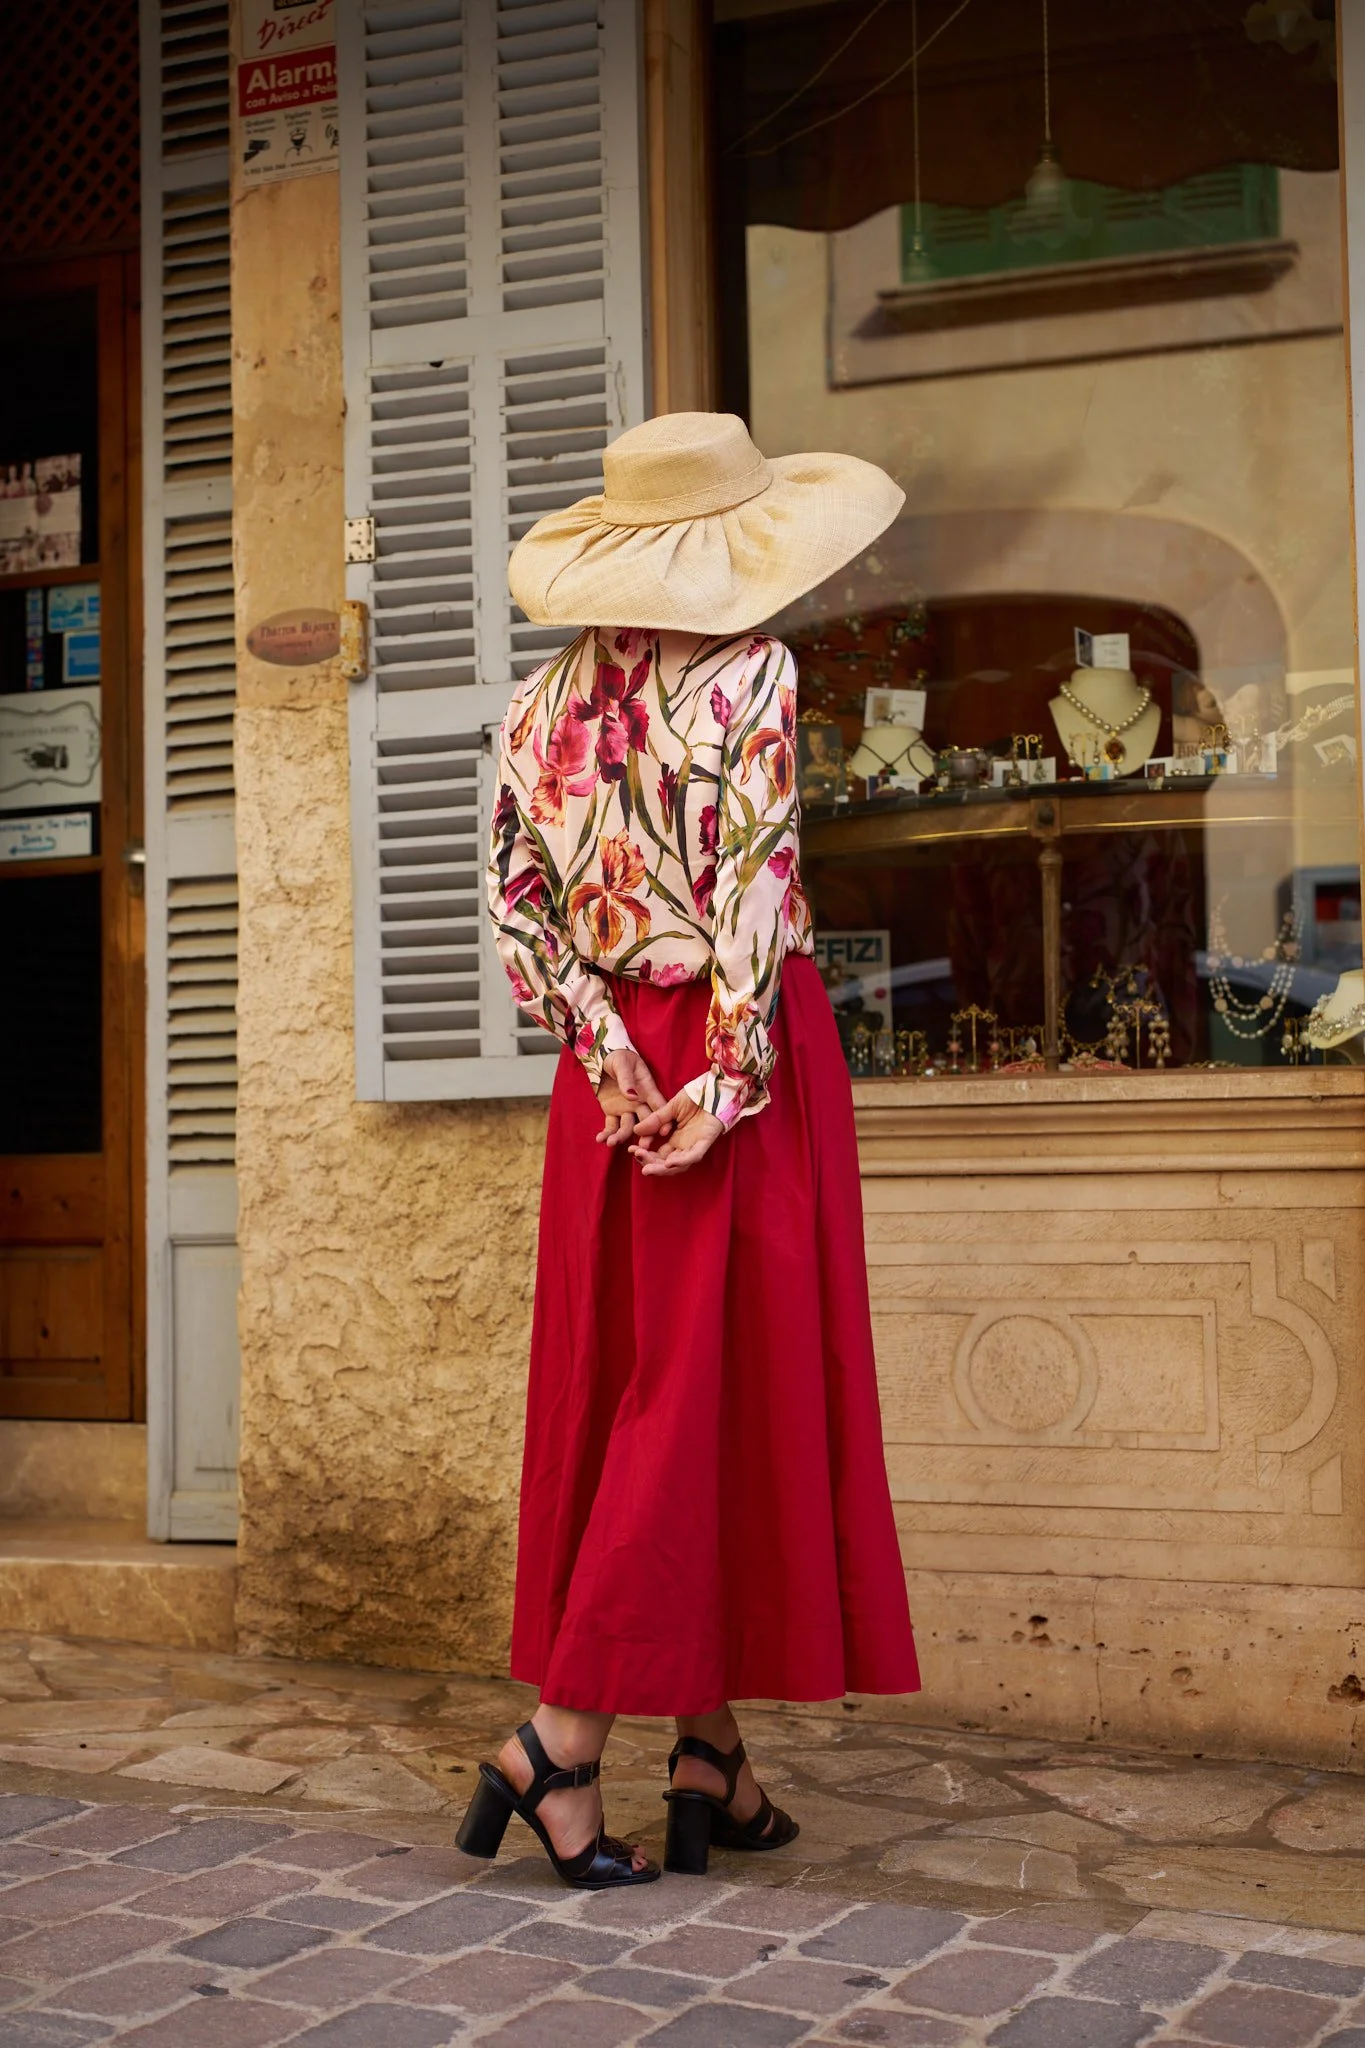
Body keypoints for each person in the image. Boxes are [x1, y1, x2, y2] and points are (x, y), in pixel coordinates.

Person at [465, 412, 920, 1890]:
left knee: (647, 1391)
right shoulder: (756, 679)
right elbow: (750, 889)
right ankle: (561, 1741)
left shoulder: (538, 713)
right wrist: (720, 1092)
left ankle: (711, 1755)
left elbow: (523, 915)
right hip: (743, 1060)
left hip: (606, 1093)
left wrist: (615, 1075)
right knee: (688, 1400)